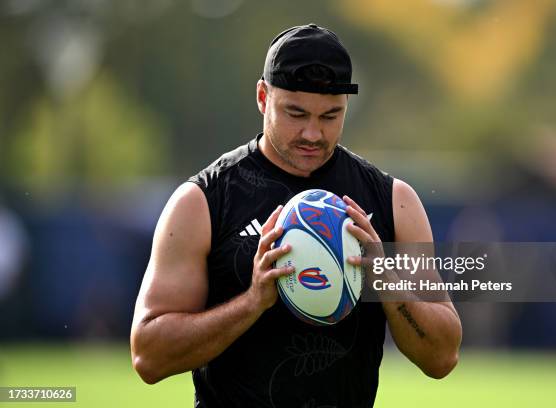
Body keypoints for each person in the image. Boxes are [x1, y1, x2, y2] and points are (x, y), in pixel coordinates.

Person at [130, 23, 462, 408]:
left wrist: (385, 280)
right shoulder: (203, 201)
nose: (312, 133)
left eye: (330, 116)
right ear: (262, 97)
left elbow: (443, 357)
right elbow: (148, 357)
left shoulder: (393, 201)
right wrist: (252, 302)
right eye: (296, 113)